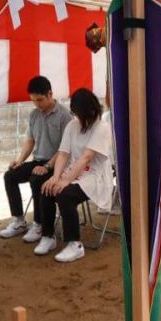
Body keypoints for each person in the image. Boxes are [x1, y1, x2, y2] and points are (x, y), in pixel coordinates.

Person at [34, 88, 114, 263]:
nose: (79, 119)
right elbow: (63, 153)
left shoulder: (102, 127)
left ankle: (75, 244)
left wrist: (65, 180)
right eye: (77, 114)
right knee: (47, 187)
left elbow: (87, 157)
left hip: (95, 175)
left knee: (64, 194)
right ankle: (48, 236)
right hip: (74, 170)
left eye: (82, 115)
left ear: (93, 111)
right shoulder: (72, 125)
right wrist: (56, 177)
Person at [0, 76, 73, 244]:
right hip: (38, 160)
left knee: (37, 179)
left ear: (50, 94)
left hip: (58, 164)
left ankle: (39, 224)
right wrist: (20, 160)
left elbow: (64, 149)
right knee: (10, 176)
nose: (37, 104)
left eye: (40, 100)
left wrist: (47, 167)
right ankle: (19, 220)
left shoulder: (64, 116)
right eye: (33, 101)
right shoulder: (34, 114)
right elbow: (30, 140)